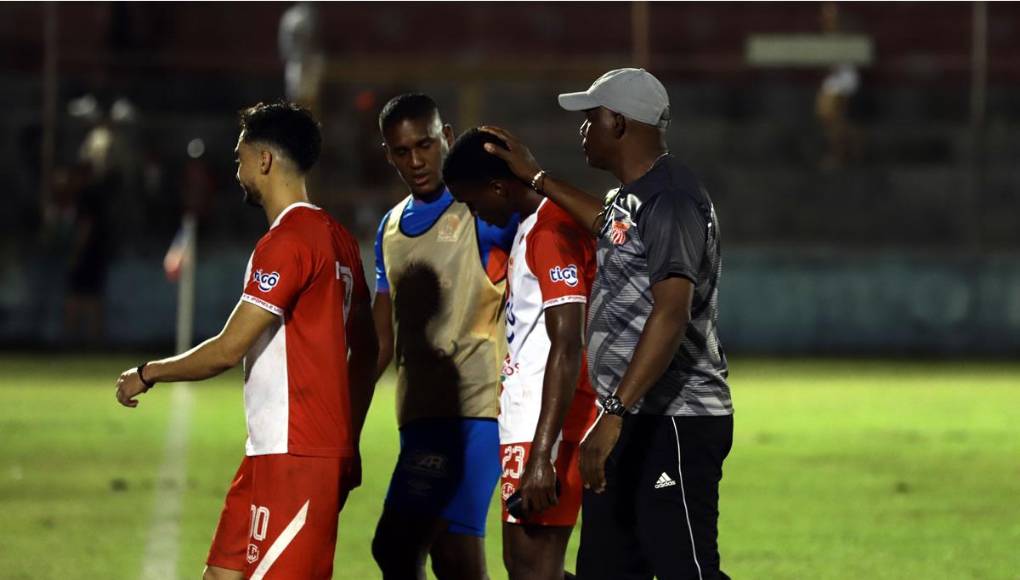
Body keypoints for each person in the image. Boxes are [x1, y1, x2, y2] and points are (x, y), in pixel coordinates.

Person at [482, 68, 734, 580]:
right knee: (606, 568)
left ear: (617, 123)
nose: (582, 130)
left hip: (674, 421)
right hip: (632, 419)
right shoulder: (637, 197)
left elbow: (671, 311)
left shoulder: (672, 199)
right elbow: (609, 223)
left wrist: (614, 411)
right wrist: (537, 179)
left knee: (685, 569)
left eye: (589, 118)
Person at [113, 101, 377, 580]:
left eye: (239, 158)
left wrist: (148, 374)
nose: (236, 171)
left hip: (296, 458)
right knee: (220, 575)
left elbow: (228, 348)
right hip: (272, 450)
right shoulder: (338, 239)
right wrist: (348, 439)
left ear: (265, 160)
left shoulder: (289, 241)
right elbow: (366, 352)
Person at [370, 94, 519, 580]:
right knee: (401, 552)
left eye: (426, 145)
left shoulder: (482, 208)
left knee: (441, 548)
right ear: (388, 153)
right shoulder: (388, 230)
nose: (415, 160)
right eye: (401, 150)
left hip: (476, 412)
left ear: (448, 138)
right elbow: (382, 342)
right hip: (418, 416)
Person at [443, 128, 597, 580]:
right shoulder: (535, 229)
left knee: (532, 570)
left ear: (498, 186)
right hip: (531, 423)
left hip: (543, 428)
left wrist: (542, 455)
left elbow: (568, 340)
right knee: (530, 569)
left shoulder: (550, 232)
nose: (476, 214)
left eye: (472, 202)